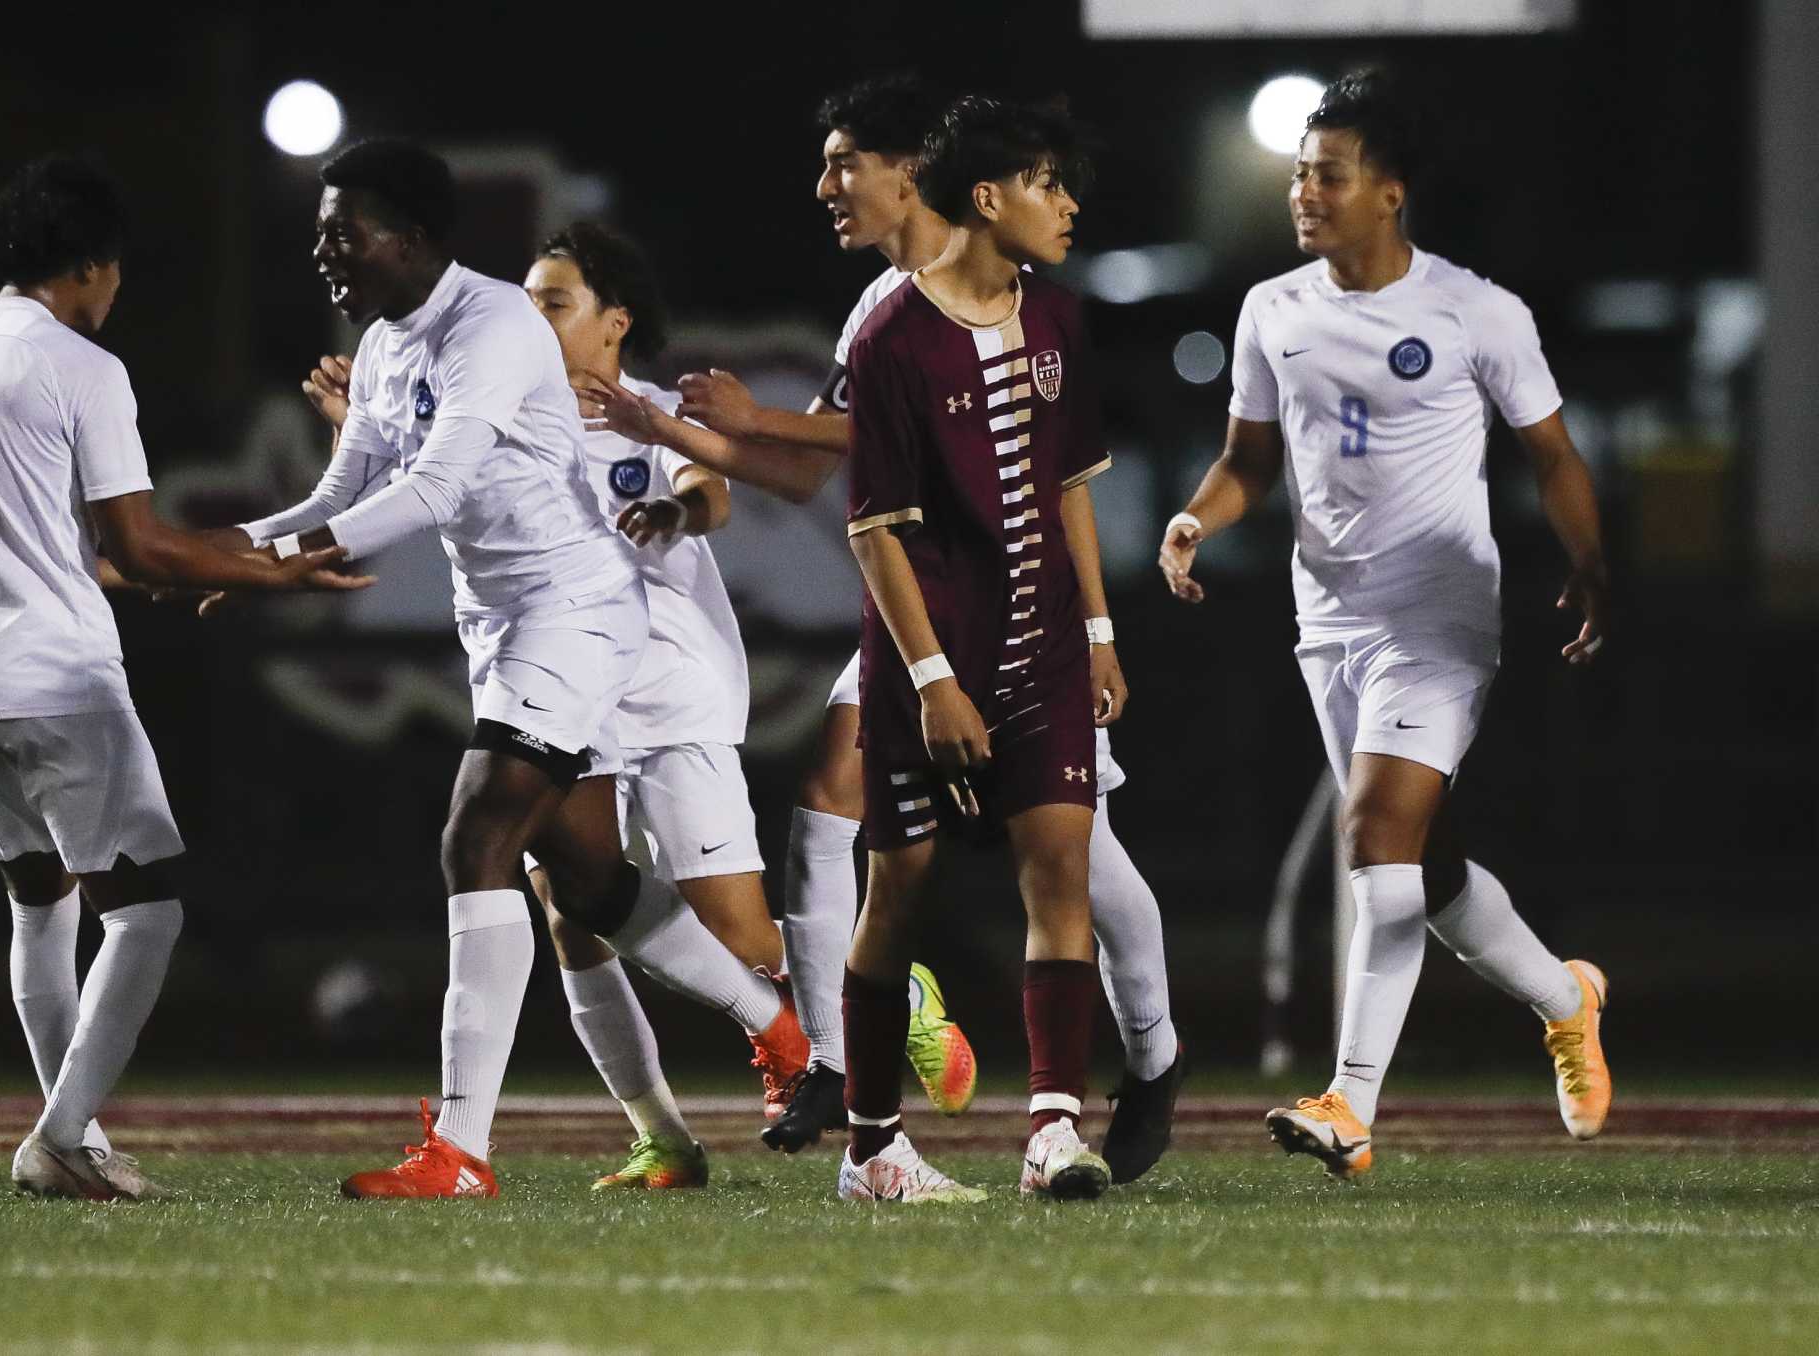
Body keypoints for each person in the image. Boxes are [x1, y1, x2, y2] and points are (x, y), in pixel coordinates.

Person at [590, 76, 1182, 1180]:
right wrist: (672, 431)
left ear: (915, 171)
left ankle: (1149, 1059)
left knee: (1078, 868)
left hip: (1025, 624)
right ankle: (836, 1060)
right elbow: (837, 472)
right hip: (924, 613)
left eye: (841, 162)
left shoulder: (1013, 292)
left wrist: (1096, 627)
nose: (824, 188)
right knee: (832, 798)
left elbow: (916, 452)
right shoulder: (885, 312)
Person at [215, 140, 807, 1199]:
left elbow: (433, 493)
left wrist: (280, 563)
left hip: (576, 618)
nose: (321, 251)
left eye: (341, 231)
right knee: (583, 886)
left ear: (411, 236)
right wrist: (225, 548)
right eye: (318, 232)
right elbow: (346, 482)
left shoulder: (489, 325)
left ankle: (460, 1148)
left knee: (476, 835)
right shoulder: (393, 342)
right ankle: (775, 1035)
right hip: (504, 629)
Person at [1158, 69, 1612, 1181]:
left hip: (1441, 616)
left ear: (1389, 192)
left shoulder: (1474, 310)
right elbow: (1248, 460)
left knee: (1373, 839)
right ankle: (1566, 997)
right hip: (1328, 623)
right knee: (1421, 861)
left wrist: (1590, 564)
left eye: (1328, 174)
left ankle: (1347, 1104)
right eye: (1298, 174)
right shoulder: (1272, 308)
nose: (1303, 193)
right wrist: (1192, 519)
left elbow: (1549, 455)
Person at [0, 156, 373, 1201]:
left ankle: (77, 1137)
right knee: (147, 913)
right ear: (91, 265)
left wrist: (224, 564)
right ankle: (63, 1135)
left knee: (38, 906)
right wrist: (278, 575)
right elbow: (144, 547)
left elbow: (77, 548)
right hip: (57, 671)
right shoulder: (78, 366)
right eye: (115, 275)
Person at [835, 95, 1122, 1203]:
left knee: (1061, 872)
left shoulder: (1056, 318)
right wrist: (930, 682)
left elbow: (1069, 488)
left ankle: (1053, 1130)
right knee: (894, 891)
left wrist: (1096, 629)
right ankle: (870, 1150)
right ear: (990, 196)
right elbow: (873, 532)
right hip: (933, 660)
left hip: (1043, 647)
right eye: (1050, 184)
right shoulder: (891, 339)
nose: (1068, 205)